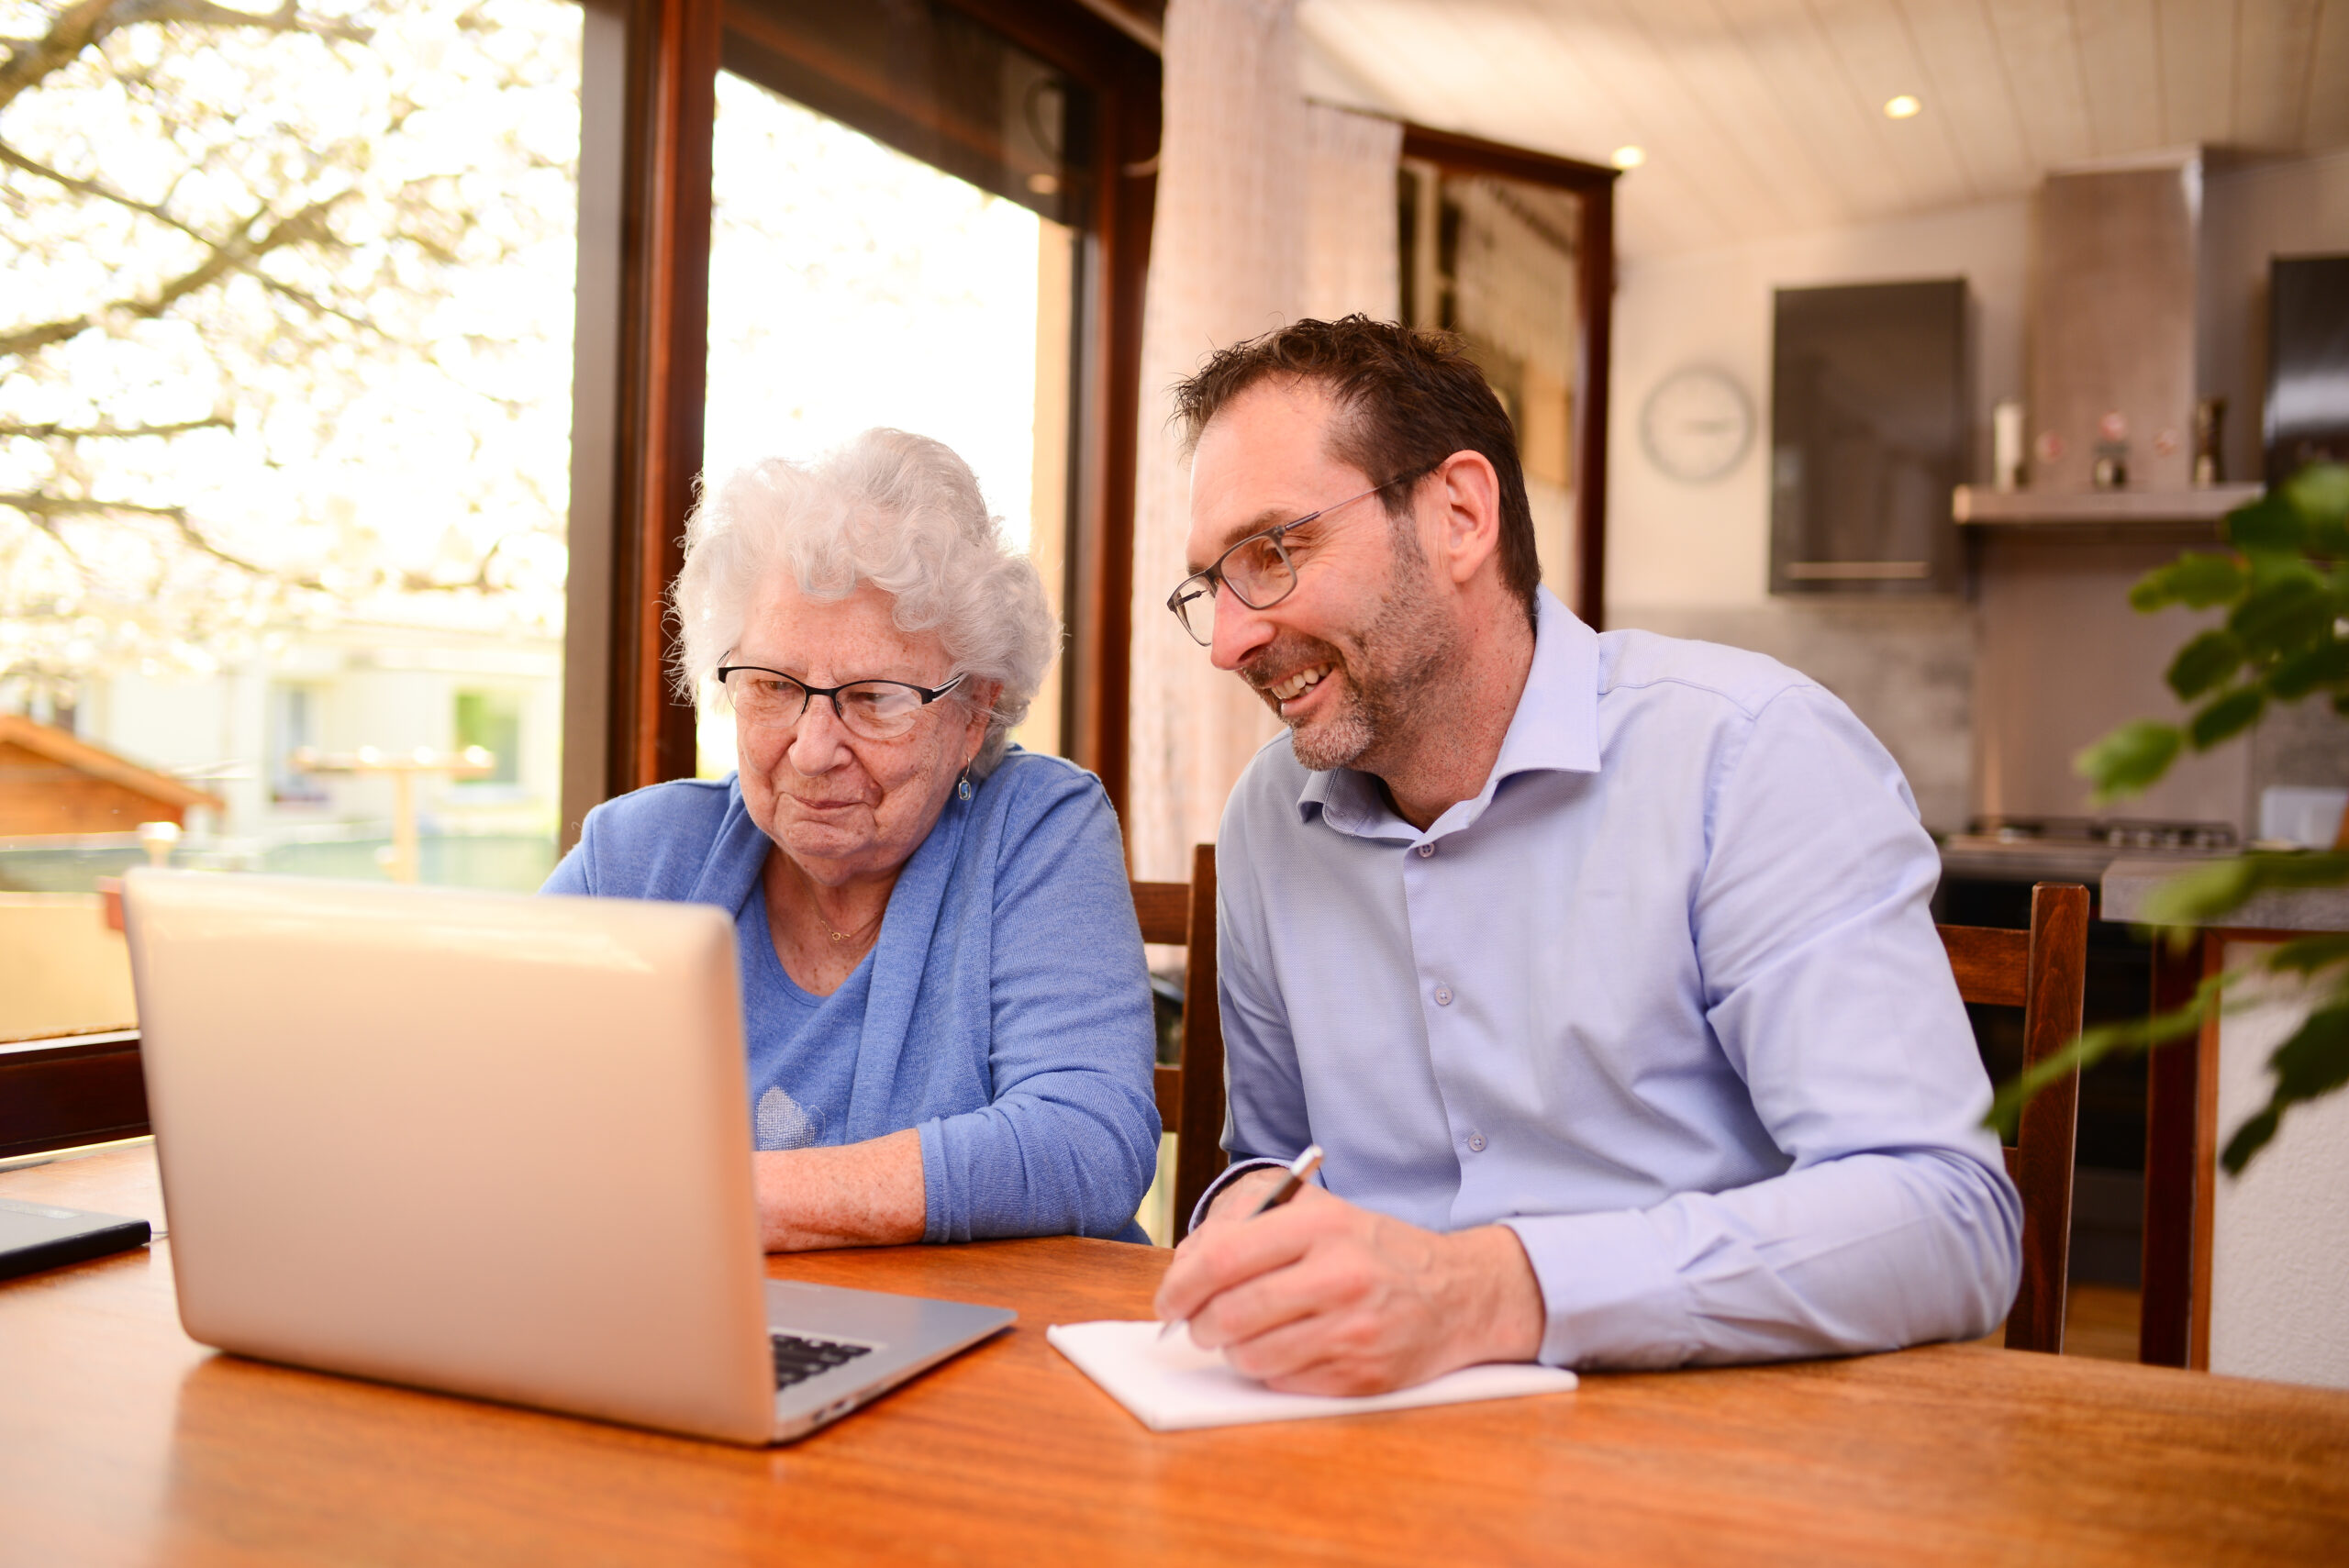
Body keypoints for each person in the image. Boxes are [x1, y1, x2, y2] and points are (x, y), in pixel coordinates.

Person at [1151, 317, 2019, 1394]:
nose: (1230, 640)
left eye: (1271, 553)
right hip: (1362, 1442)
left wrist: (1485, 1290)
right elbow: (1276, 1158)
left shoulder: (1747, 754)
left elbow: (1945, 1219)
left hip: (1700, 1441)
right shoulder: (1267, 818)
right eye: (1209, 587)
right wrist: (1250, 1212)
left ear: (1459, 515)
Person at [544, 428, 1159, 1249]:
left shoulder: (1037, 828)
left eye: (872, 698)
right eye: (772, 686)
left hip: (990, 1344)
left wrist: (729, 1199)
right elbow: (491, 1095)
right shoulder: (638, 854)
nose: (811, 748)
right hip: (700, 1336)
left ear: (977, 709)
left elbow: (1088, 1142)